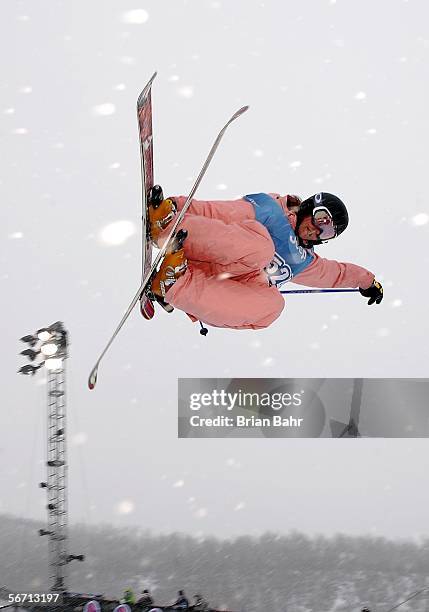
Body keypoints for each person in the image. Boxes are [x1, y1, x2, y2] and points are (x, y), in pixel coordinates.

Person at [144, 187, 383, 329]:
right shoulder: (272, 210)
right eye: (321, 220)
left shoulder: (305, 261)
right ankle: (168, 226)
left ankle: (172, 284)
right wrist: (176, 207)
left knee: (273, 307)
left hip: (207, 280)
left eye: (328, 232)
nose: (317, 231)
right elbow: (217, 211)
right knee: (262, 249)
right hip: (197, 242)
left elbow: (337, 273)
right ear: (310, 206)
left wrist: (367, 282)